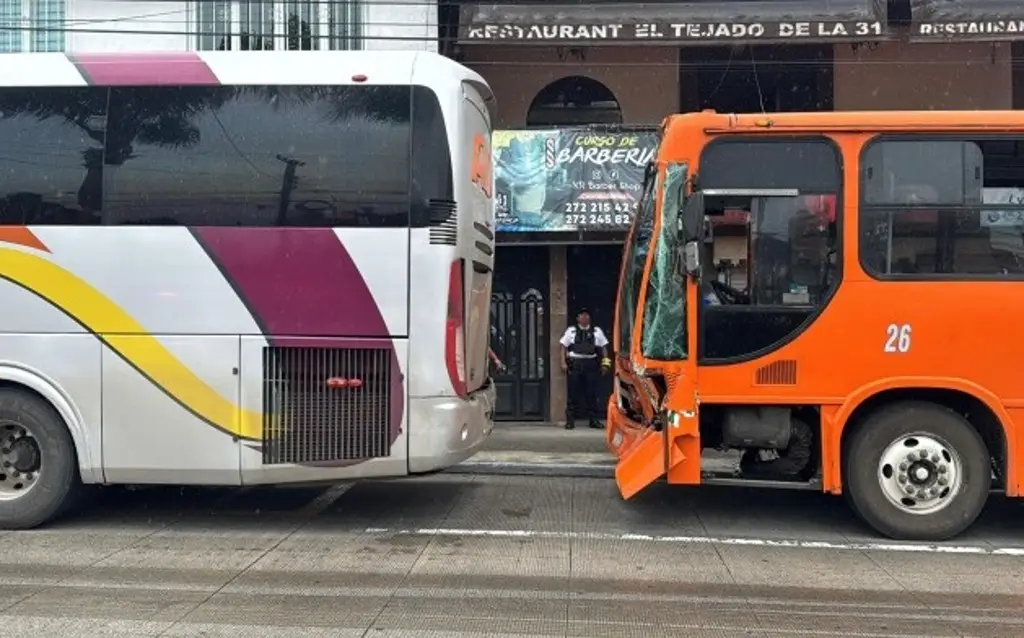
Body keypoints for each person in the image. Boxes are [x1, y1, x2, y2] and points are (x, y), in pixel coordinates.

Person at [559, 308, 611, 430]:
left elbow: (604, 348)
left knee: (591, 393)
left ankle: (593, 420)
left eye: (586, 315)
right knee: (573, 393)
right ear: (577, 318)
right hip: (576, 363)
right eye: (582, 315)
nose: (584, 317)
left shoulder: (596, 331)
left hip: (590, 363)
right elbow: (563, 347)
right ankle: (570, 420)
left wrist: (605, 364)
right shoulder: (571, 331)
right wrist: (563, 363)